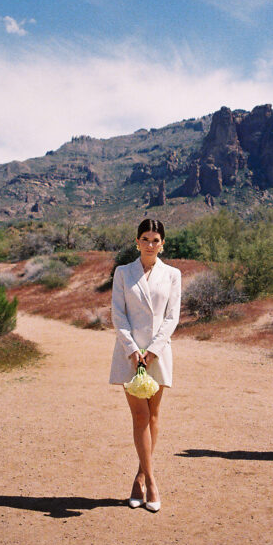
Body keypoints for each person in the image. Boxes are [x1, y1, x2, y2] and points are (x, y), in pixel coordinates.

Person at [109, 218, 182, 511]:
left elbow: (172, 316)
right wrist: (133, 349)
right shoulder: (123, 273)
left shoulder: (173, 274)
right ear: (136, 242)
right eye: (145, 239)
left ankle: (139, 476)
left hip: (158, 351)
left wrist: (152, 350)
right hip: (129, 353)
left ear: (162, 243)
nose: (150, 245)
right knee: (139, 416)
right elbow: (117, 313)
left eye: (155, 240)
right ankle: (152, 482)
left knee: (153, 415)